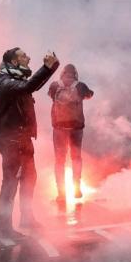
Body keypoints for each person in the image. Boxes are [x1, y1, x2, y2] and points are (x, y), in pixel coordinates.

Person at [0, 47, 59, 242]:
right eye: (23, 56)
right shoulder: (5, 82)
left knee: (29, 179)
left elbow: (30, 86)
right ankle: (4, 230)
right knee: (10, 184)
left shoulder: (16, 80)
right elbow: (28, 87)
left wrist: (52, 67)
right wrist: (46, 68)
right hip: (12, 141)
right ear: (13, 62)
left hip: (23, 140)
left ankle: (27, 219)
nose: (28, 57)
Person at [48, 64, 94, 203]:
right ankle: (77, 189)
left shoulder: (55, 85)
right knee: (76, 158)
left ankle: (61, 194)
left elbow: (51, 97)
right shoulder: (80, 86)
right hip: (76, 128)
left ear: (62, 73)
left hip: (59, 128)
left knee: (60, 161)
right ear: (75, 73)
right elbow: (90, 95)